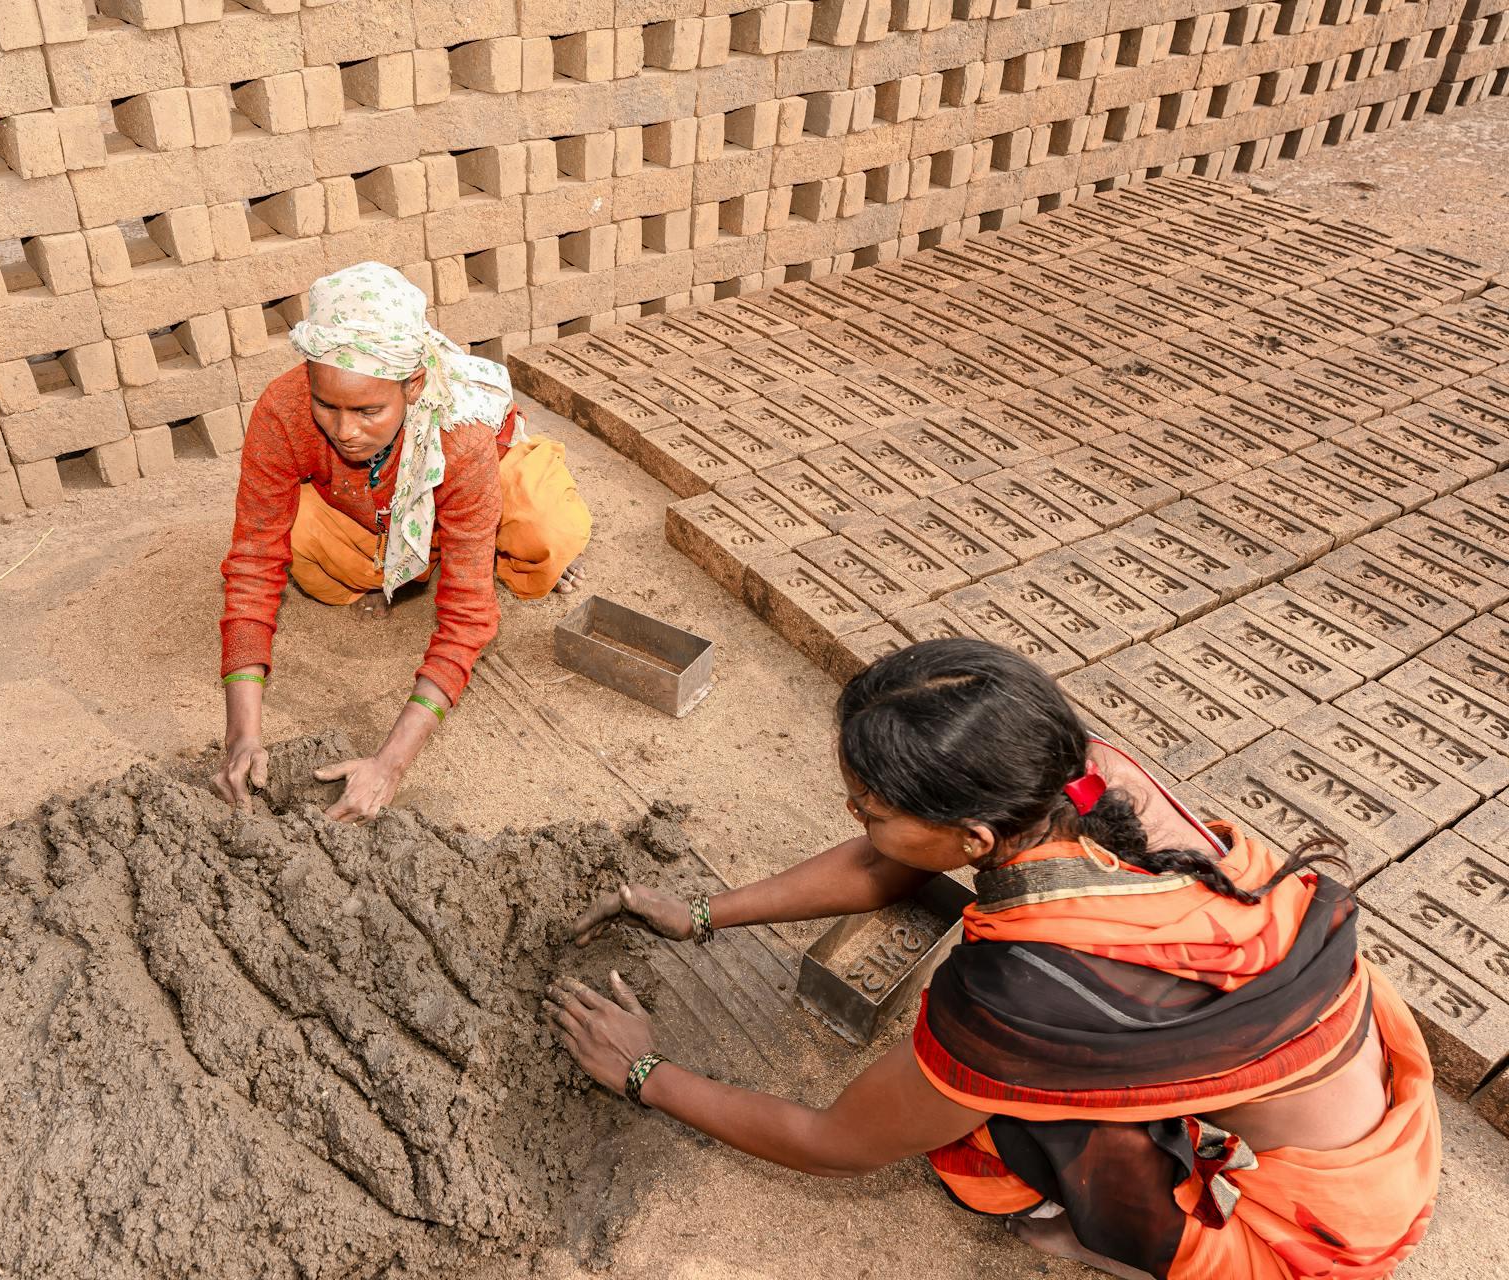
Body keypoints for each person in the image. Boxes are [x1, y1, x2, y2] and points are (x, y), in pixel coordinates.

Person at [547, 638, 1439, 1279]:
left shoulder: (1021, 993)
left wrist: (647, 1072)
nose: (853, 816)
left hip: (1321, 1235)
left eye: (866, 805)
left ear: (975, 833)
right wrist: (702, 912)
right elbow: (888, 857)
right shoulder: (1086, 778)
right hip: (1371, 1107)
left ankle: (1108, 1237)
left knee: (984, 1130)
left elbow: (834, 1143)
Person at [215, 262, 592, 821]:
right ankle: (432, 552)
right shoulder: (284, 409)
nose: (345, 431)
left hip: (479, 478)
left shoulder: (458, 432)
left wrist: (391, 760)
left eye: (368, 410)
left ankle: (482, 544)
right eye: (328, 405)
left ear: (412, 386)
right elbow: (254, 560)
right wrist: (240, 735)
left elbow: (467, 617)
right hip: (372, 508)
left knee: (544, 533)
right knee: (303, 545)